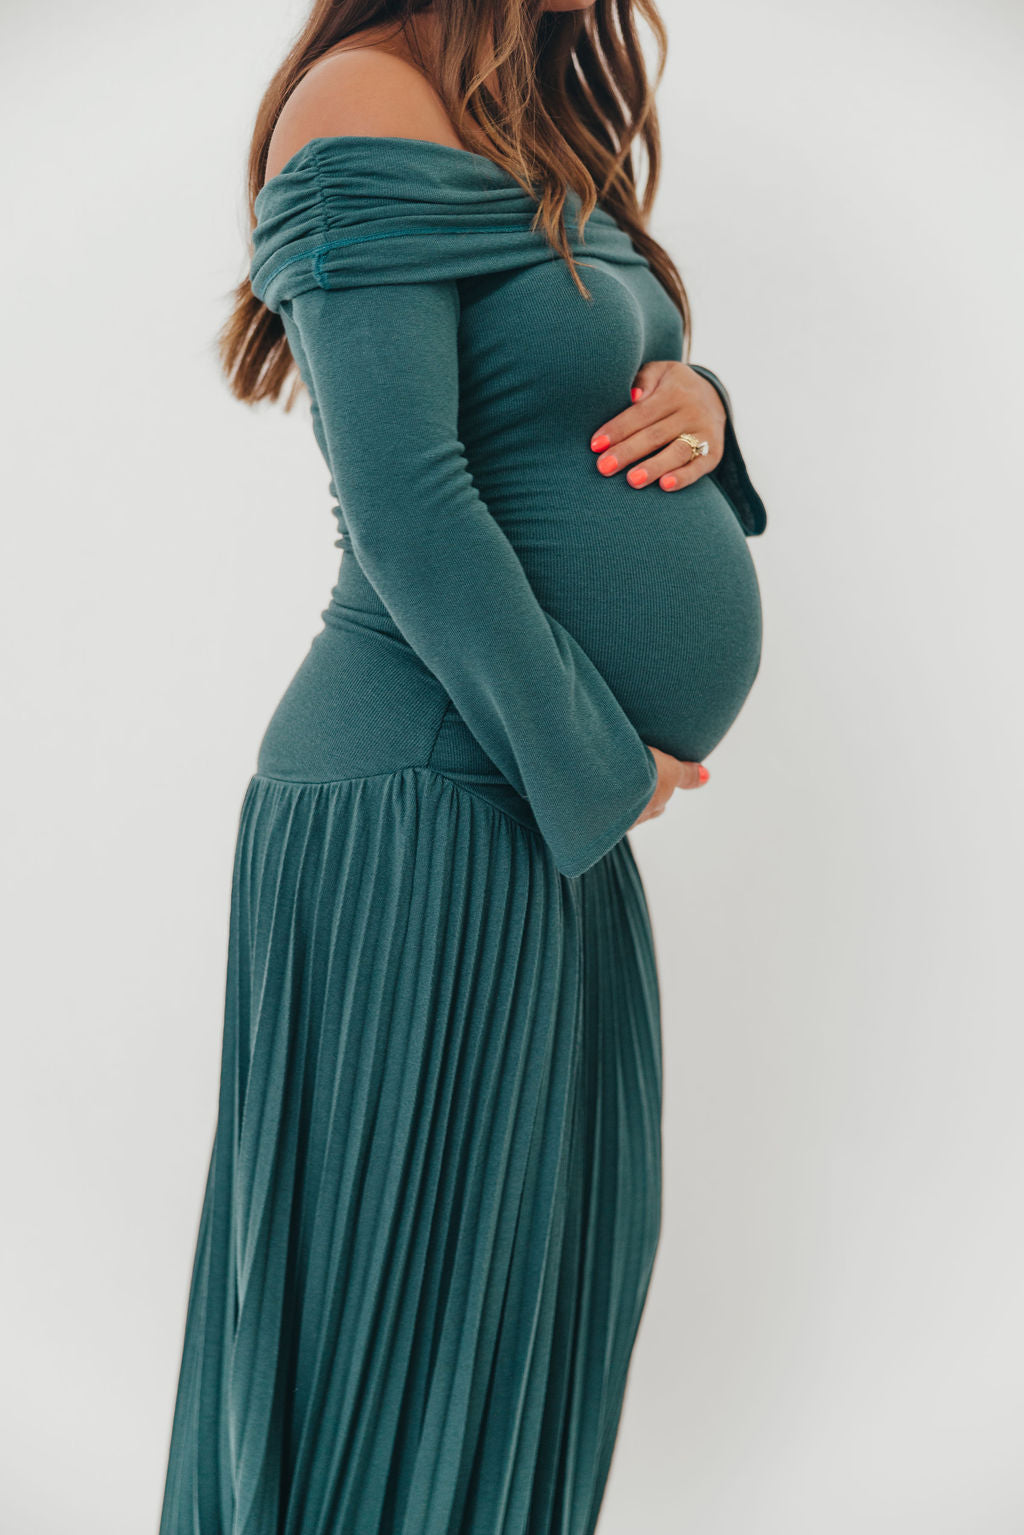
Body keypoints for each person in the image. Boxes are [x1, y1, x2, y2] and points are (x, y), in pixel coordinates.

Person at [158, 2, 767, 1530]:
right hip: (430, 802)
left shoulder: (527, 122)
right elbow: (407, 502)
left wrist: (701, 401)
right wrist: (599, 765)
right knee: (403, 1344)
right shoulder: (359, 96)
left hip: (533, 806)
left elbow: (555, 400)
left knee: (529, 1320)